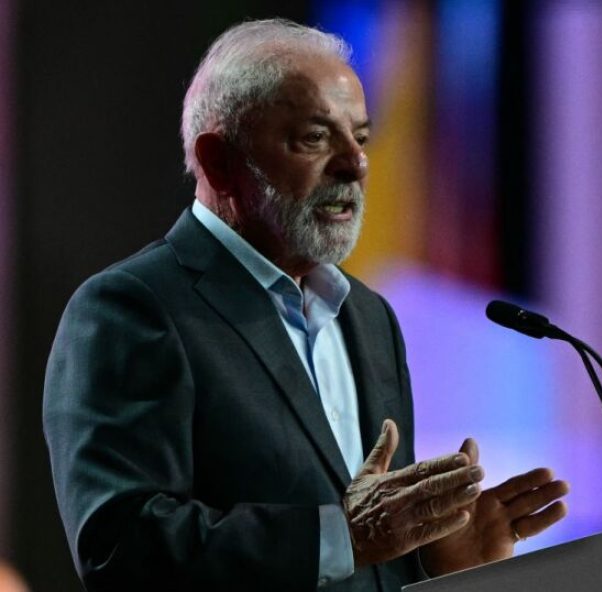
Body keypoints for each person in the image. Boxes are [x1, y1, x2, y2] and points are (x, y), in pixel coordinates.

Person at [43, 19, 569, 591]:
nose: (355, 164)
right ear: (219, 160)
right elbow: (120, 549)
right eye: (315, 138)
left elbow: (368, 551)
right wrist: (345, 536)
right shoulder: (132, 308)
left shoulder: (369, 318)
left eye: (361, 137)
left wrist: (431, 560)